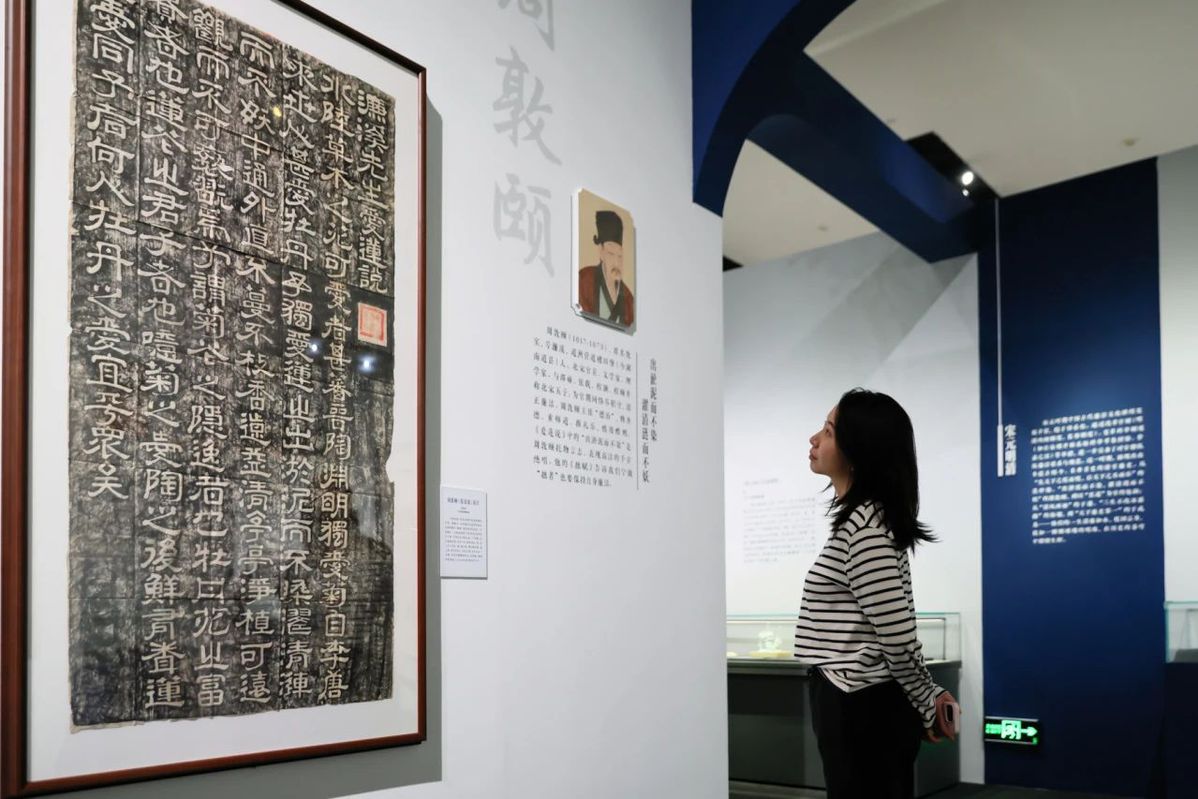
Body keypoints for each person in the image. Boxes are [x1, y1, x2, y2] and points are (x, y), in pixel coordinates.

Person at [795, 388, 958, 799]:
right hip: (857, 699)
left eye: (828, 431)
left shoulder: (866, 529)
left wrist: (926, 701)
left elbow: (898, 637)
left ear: (857, 451)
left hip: (861, 705)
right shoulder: (863, 522)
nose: (814, 439)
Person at [577, 209, 634, 328]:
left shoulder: (628, 298)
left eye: (620, 256)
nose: (616, 262)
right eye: (611, 254)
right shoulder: (584, 280)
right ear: (601, 251)